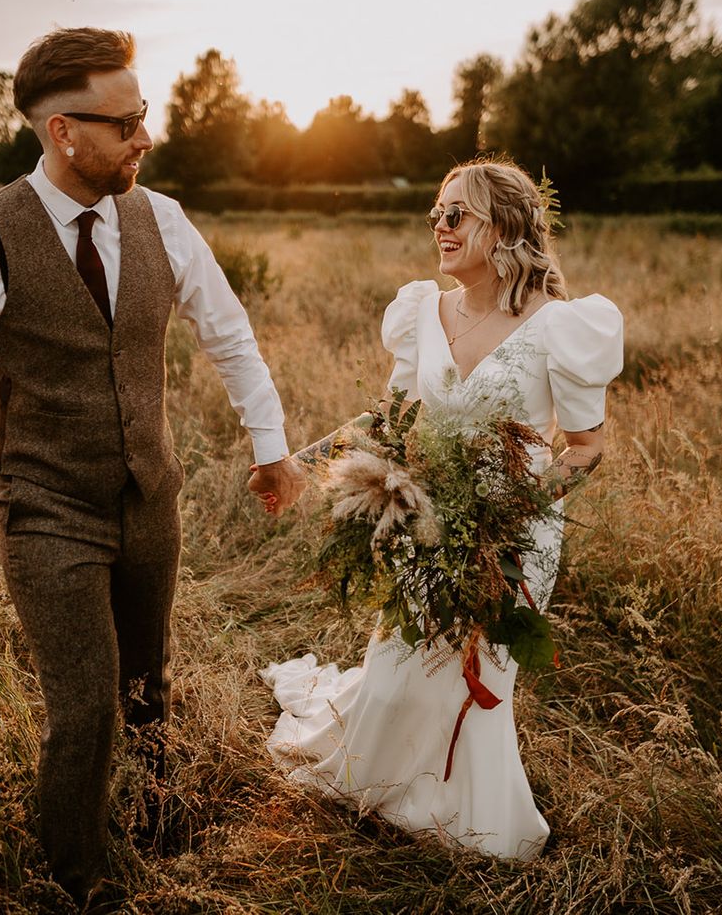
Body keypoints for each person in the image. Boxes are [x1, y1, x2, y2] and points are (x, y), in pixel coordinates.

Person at [0, 27, 305, 908]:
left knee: (148, 683)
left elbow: (229, 333)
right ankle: (80, 882)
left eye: (147, 115)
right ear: (64, 131)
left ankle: (154, 823)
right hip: (45, 509)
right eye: (128, 121)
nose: (147, 136)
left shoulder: (163, 219)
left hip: (152, 498)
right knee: (86, 707)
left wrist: (270, 446)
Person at [261, 159, 623, 860]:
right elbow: (390, 418)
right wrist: (299, 465)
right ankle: (378, 778)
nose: (440, 227)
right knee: (399, 676)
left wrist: (511, 513)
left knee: (475, 678)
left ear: (506, 227)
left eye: (455, 215)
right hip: (426, 521)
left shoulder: (562, 328)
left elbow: (584, 448)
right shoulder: (421, 311)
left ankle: (468, 819)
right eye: (435, 213)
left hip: (514, 534)